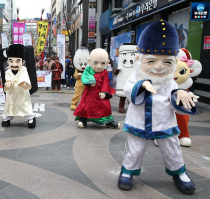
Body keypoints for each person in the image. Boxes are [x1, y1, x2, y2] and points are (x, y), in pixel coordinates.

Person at [117, 20, 198, 195]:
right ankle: (127, 171)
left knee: (172, 148)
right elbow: (129, 90)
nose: (159, 67)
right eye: (152, 61)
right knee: (135, 150)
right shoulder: (135, 76)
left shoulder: (170, 82)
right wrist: (142, 85)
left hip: (165, 124)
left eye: (167, 63)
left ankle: (179, 173)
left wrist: (181, 95)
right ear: (139, 59)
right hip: (138, 123)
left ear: (174, 63)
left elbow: (175, 98)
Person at [73, 48, 120, 129]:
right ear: (89, 61)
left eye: (103, 63)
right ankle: (83, 120)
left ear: (107, 62)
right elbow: (84, 76)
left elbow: (105, 82)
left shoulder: (105, 71)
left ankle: (108, 121)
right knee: (85, 106)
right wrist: (91, 80)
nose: (99, 66)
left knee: (105, 106)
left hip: (100, 94)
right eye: (95, 63)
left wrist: (104, 91)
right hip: (89, 94)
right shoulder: (88, 69)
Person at [1, 44, 36, 128]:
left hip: (22, 92)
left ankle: (31, 117)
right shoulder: (7, 71)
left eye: (17, 61)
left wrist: (23, 83)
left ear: (22, 62)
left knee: (24, 105)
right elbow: (7, 78)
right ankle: (7, 118)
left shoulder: (24, 70)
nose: (14, 64)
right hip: (12, 93)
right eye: (11, 61)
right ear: (8, 61)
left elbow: (25, 78)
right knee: (10, 105)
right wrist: (8, 82)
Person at [70, 45, 89, 110]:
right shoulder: (77, 70)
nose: (83, 66)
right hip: (79, 85)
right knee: (77, 95)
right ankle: (73, 104)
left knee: (86, 96)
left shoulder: (88, 70)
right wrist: (79, 75)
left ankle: (85, 105)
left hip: (86, 85)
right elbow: (75, 76)